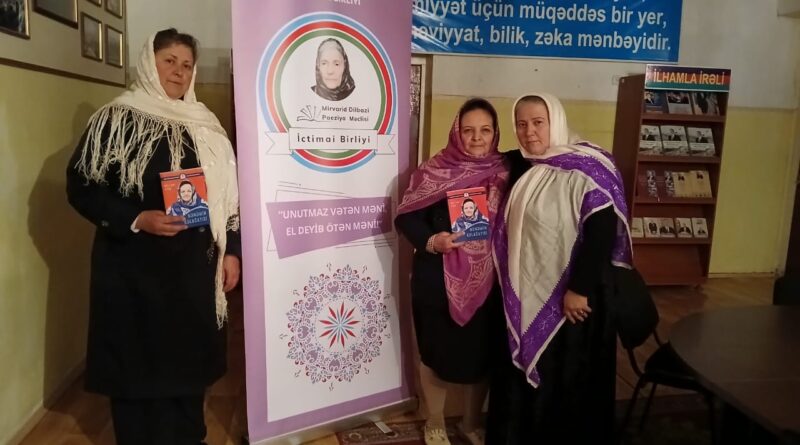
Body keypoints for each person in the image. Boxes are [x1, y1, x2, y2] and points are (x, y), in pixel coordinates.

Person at [66, 29, 241, 445]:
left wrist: (231, 251)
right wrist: (137, 218)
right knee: (137, 368)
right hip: (133, 270)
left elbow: (230, 199)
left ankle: (188, 437)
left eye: (187, 65)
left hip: (193, 269)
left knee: (187, 365)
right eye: (169, 61)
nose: (179, 71)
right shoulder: (115, 119)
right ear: (149, 62)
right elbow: (81, 187)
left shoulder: (206, 125)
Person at [486, 93, 632, 445]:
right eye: (521, 124)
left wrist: (578, 289)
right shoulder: (528, 166)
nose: (529, 132)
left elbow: (601, 234)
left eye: (538, 122)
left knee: (568, 379)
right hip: (531, 289)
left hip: (576, 299)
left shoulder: (590, 167)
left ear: (556, 120)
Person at [395, 98, 509, 445]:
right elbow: (406, 217)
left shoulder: (506, 171)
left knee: (482, 356)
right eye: (468, 130)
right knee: (436, 354)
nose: (476, 138)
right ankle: (434, 422)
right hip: (437, 281)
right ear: (456, 132)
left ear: (495, 133)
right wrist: (433, 241)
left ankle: (470, 423)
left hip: (491, 283)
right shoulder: (434, 170)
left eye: (485, 130)